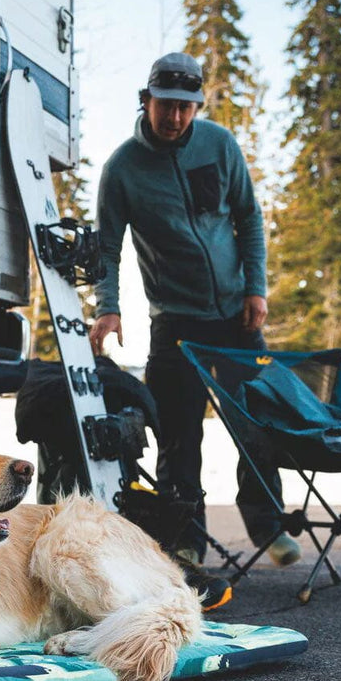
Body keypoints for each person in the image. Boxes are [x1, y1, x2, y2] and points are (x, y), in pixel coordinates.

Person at [90, 51, 301, 573]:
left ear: (197, 106)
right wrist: (109, 308)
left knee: (256, 423)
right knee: (179, 435)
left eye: (187, 108)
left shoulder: (219, 145)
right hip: (175, 323)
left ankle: (269, 524)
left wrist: (256, 288)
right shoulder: (122, 169)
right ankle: (186, 540)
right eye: (167, 105)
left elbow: (249, 219)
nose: (177, 118)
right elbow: (105, 248)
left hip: (235, 316)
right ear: (147, 100)